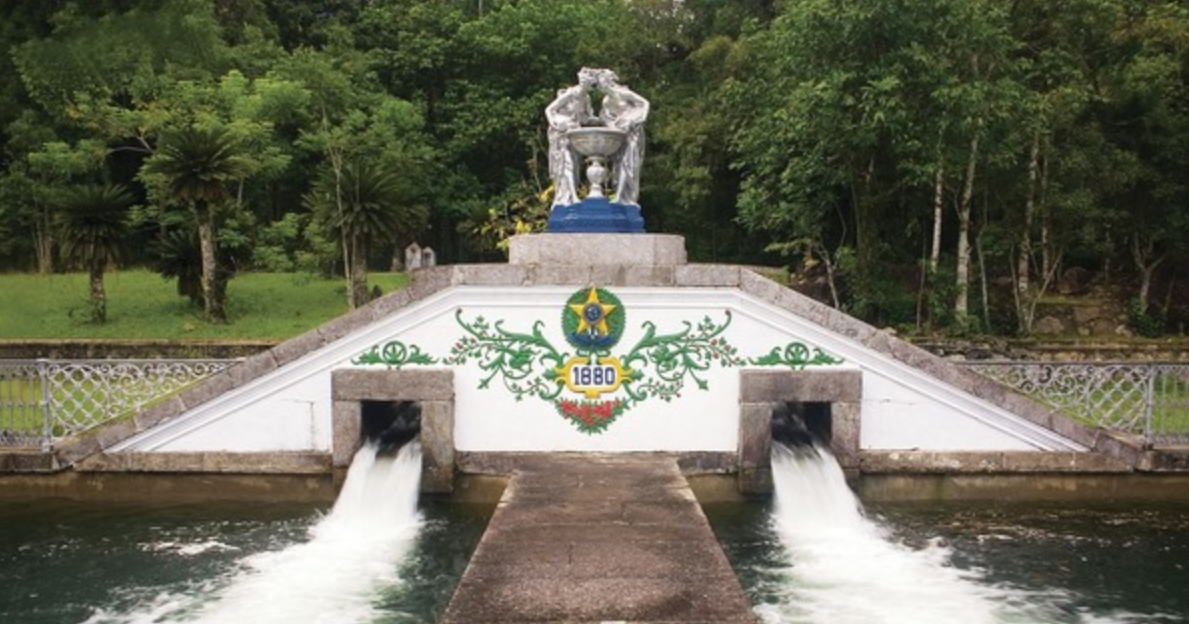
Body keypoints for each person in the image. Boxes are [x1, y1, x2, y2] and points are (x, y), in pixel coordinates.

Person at [596, 69, 650, 207]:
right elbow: (607, 119)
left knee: (629, 163)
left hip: (632, 134)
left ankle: (624, 197)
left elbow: (645, 103)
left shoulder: (623, 93)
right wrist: (613, 125)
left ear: (608, 81)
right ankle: (621, 196)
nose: (599, 86)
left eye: (601, 82)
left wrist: (638, 119)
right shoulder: (606, 101)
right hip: (620, 135)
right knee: (619, 165)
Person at [545, 69, 597, 208]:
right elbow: (550, 110)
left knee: (573, 166)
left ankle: (567, 196)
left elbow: (586, 118)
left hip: (574, 133)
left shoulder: (586, 98)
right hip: (560, 133)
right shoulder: (570, 93)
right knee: (565, 164)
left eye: (587, 82)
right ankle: (570, 197)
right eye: (583, 80)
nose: (584, 84)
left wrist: (601, 120)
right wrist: (556, 123)